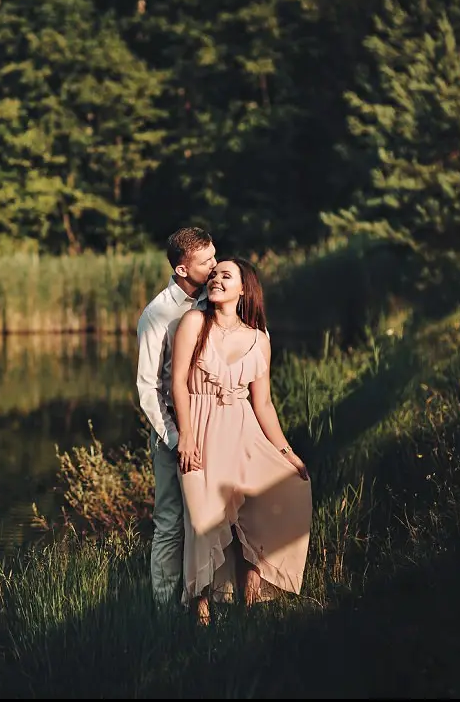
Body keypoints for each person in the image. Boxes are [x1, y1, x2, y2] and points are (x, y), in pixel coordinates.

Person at [169, 257, 312, 625]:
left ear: (243, 289)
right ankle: (200, 617)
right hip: (200, 430)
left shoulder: (258, 339)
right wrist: (185, 434)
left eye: (225, 275)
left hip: (244, 433)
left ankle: (248, 611)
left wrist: (287, 452)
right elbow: (178, 385)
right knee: (202, 523)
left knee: (256, 516)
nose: (215, 278)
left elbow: (263, 403)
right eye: (213, 274)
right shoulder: (193, 323)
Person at [135, 227, 218, 606]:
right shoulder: (157, 315)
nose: (215, 266)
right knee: (171, 524)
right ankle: (167, 612)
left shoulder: (218, 299)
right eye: (206, 262)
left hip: (216, 425)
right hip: (172, 429)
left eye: (215, 256)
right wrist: (176, 439)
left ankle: (214, 599)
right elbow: (148, 388)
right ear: (183, 270)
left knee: (214, 518)